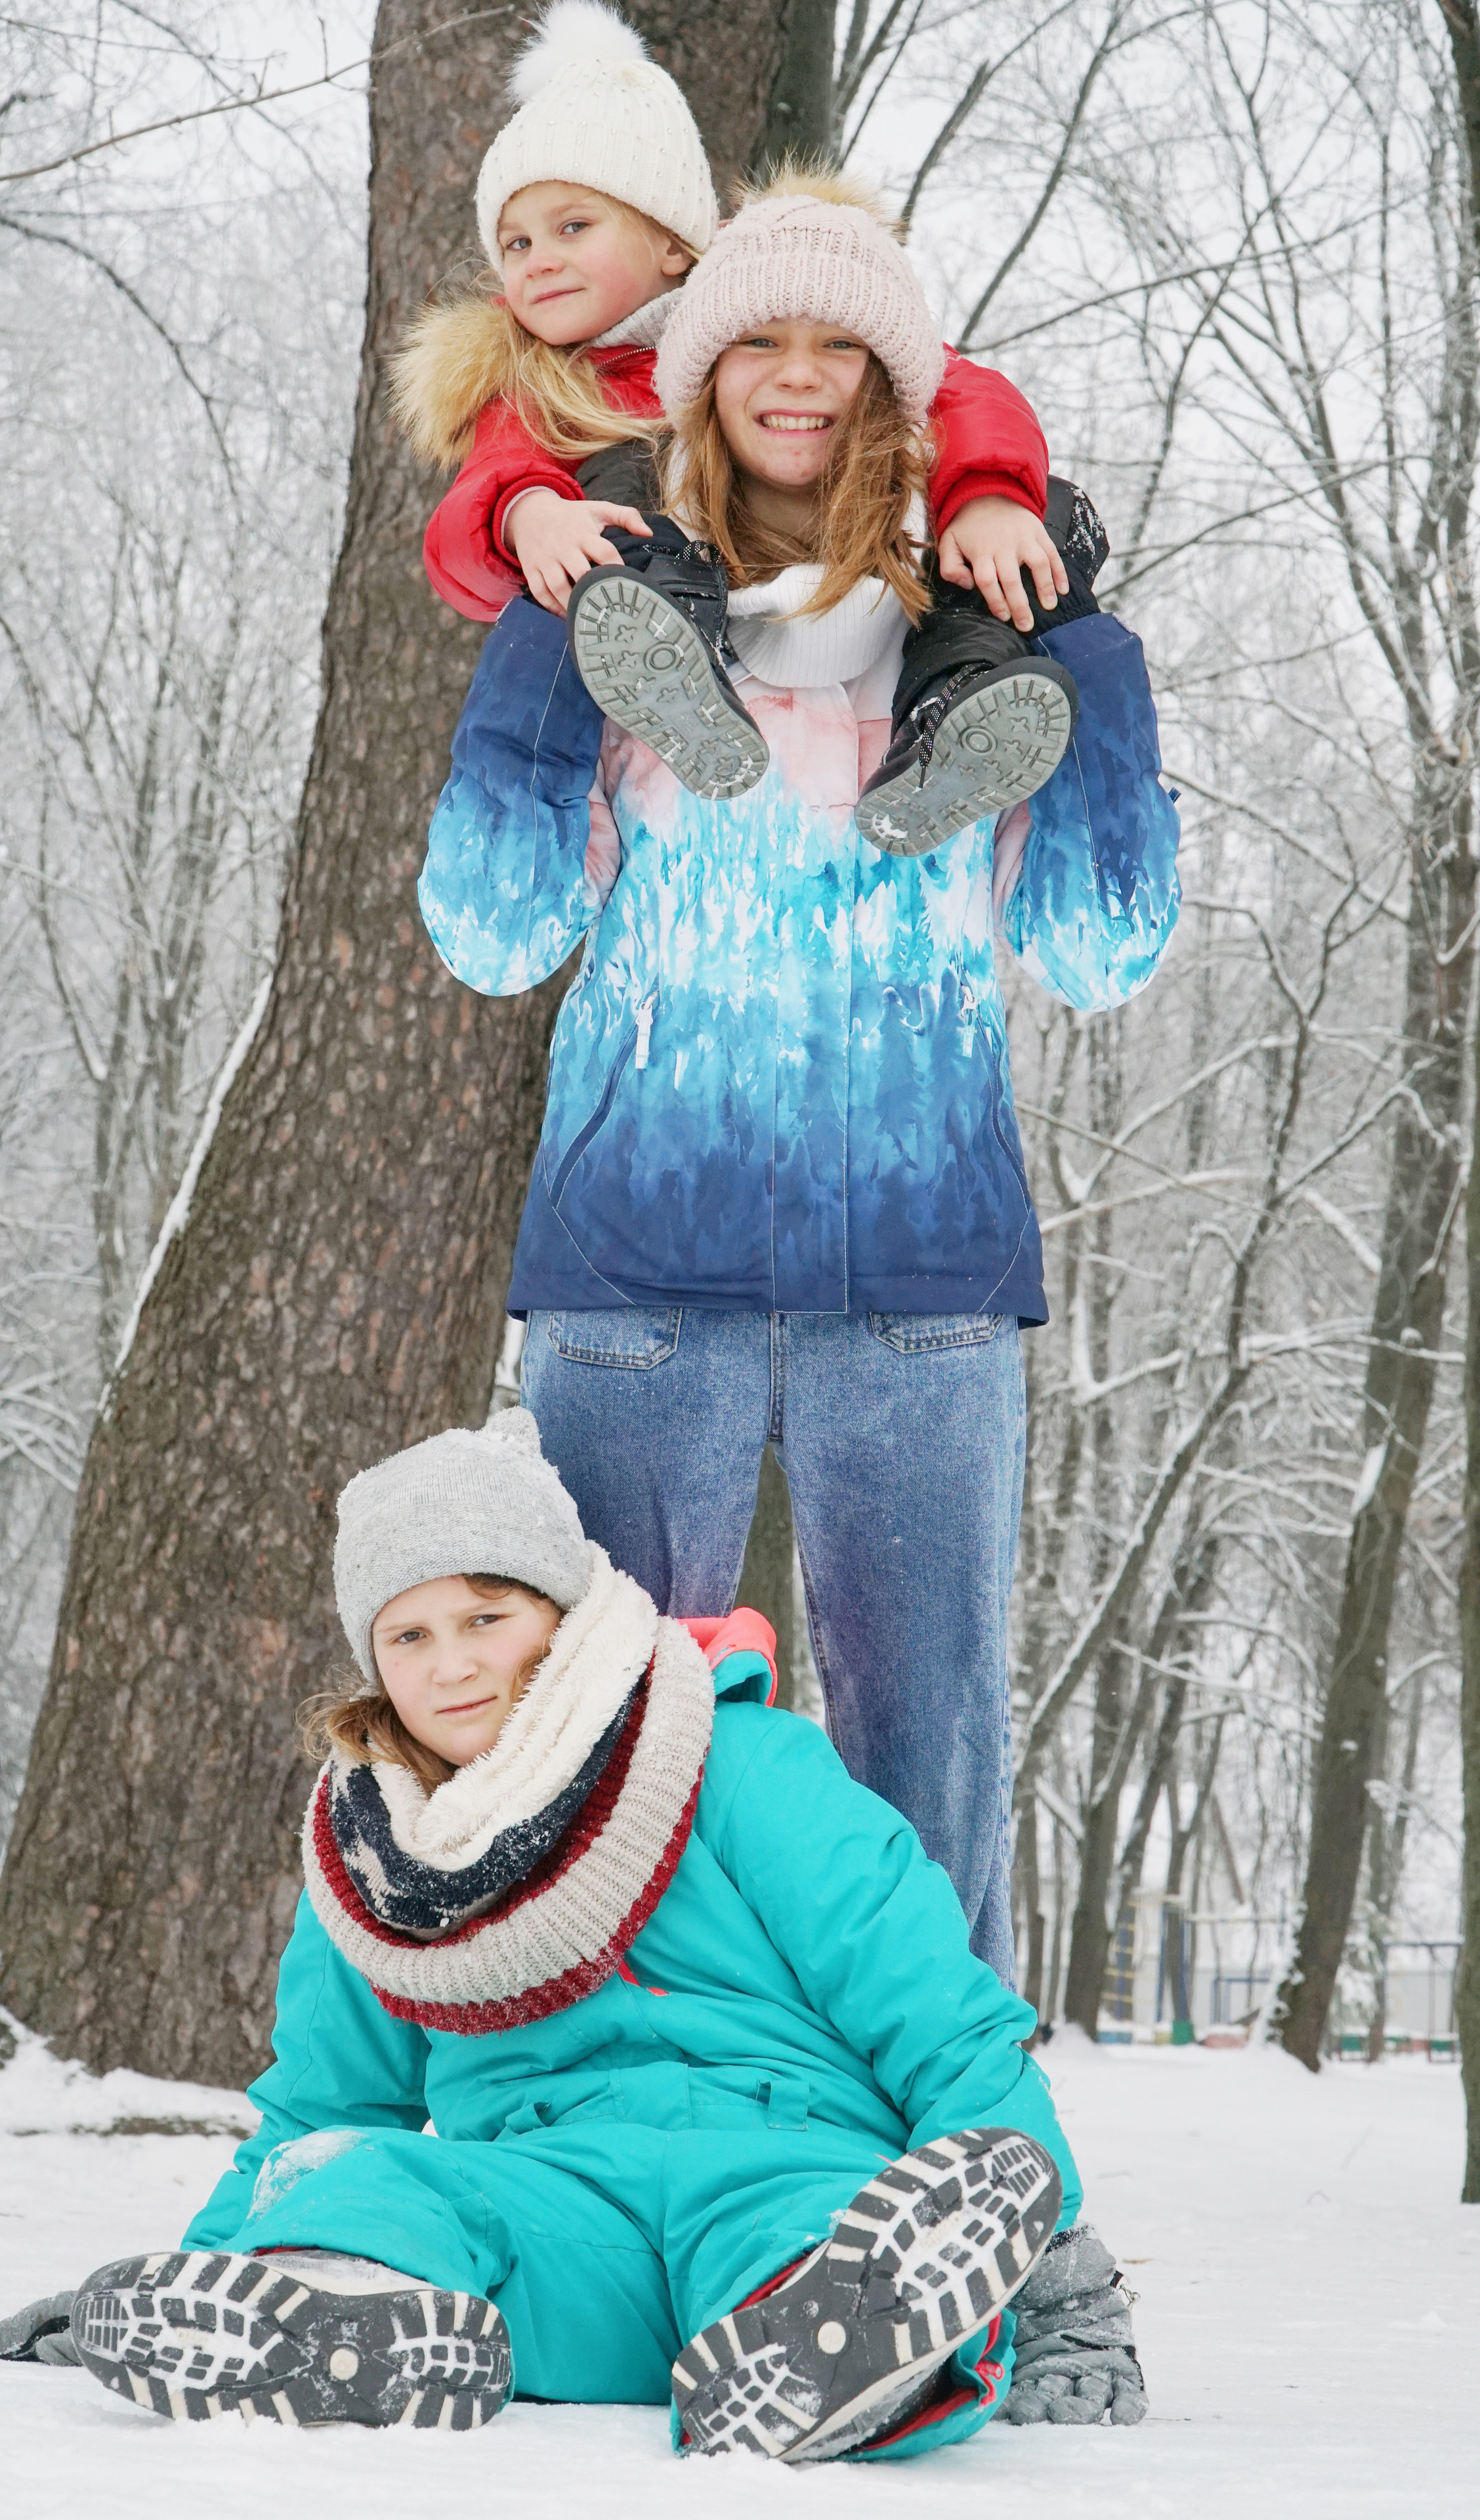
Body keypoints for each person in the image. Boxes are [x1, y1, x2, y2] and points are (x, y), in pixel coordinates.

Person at [416, 173, 1181, 1984]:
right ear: (694, 374)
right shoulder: (608, 621)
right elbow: (491, 932)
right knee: (592, 1744)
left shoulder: (987, 637)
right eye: (754, 339)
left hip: (919, 1292)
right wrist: (541, 653)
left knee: (931, 1747)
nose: (792, 376)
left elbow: (1099, 952)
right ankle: (603, 2107)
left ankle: (959, 2128)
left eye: (836, 345)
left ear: (894, 382)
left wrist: (1091, 662)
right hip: (630, 1282)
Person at [0, 1412, 1145, 2447]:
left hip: (791, 2170)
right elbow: (321, 2113)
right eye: (409, 1637)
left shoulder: (737, 1763)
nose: (452, 1666)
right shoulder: (380, 1864)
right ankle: (329, 2318)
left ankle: (835, 2353)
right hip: (554, 2216)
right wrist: (214, 2271)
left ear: (560, 1614)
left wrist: (1059, 2283)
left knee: (817, 2243)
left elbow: (940, 2020)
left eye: (486, 1615)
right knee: (370, 2181)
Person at [393, 0, 1082, 839]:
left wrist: (988, 494)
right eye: (516, 244)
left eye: (573, 227)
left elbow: (957, 387)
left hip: (850, 568)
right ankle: (666, 660)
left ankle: (959, 694)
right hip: (661, 593)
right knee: (626, 466)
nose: (539, 262)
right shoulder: (540, 391)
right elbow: (473, 510)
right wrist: (525, 514)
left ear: (670, 241)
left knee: (1052, 513)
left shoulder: (765, 296)